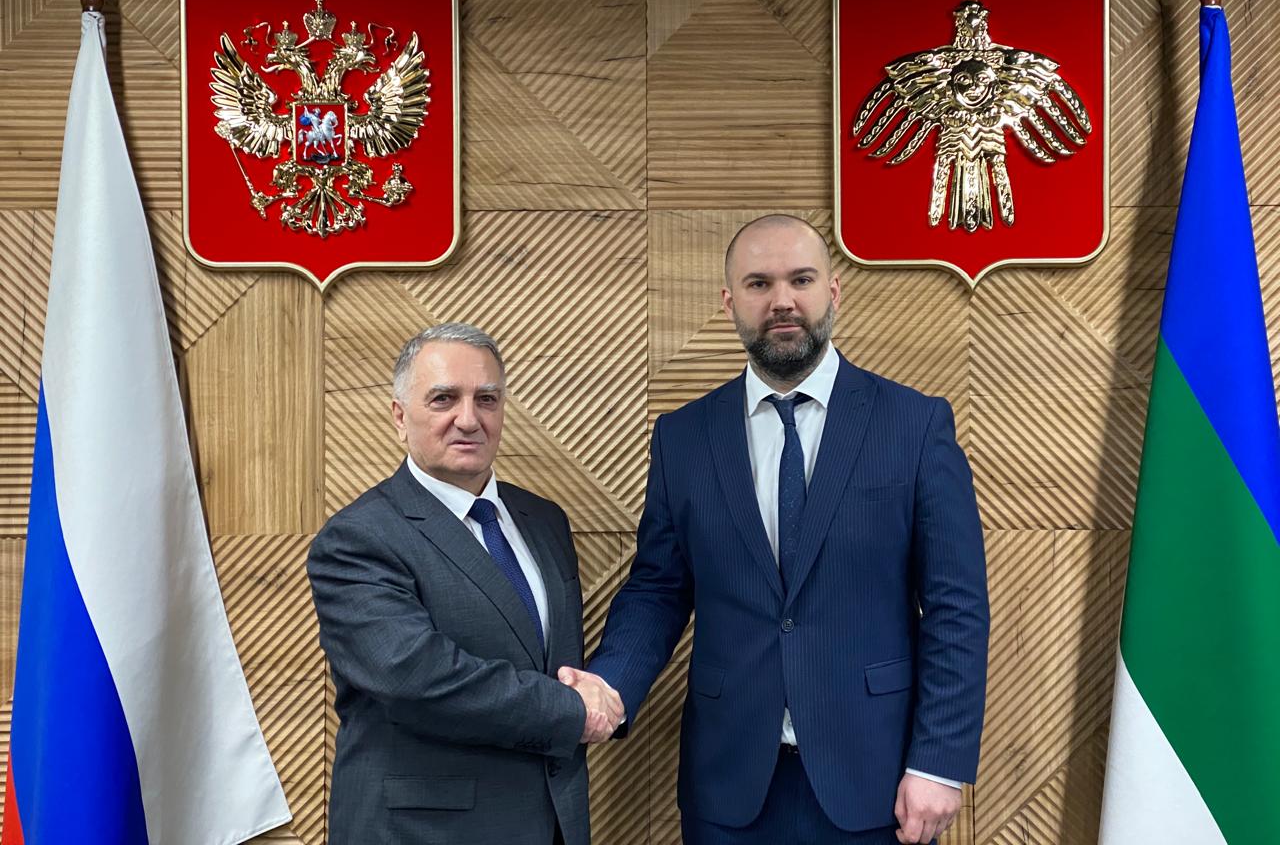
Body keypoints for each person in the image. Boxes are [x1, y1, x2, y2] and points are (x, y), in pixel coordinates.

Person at [564, 215, 989, 844]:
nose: (782, 300)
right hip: (729, 787)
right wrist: (611, 684)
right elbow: (658, 589)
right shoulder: (684, 438)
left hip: (877, 781)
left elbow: (956, 605)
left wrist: (939, 762)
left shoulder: (915, 425)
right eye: (759, 283)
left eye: (801, 280)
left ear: (833, 292)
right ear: (729, 302)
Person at [308, 323, 622, 845]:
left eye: (487, 399)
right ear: (399, 416)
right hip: (421, 832)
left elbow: (553, 661)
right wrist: (573, 711)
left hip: (550, 825)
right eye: (443, 399)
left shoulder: (544, 520)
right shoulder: (358, 537)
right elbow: (416, 678)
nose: (469, 419)